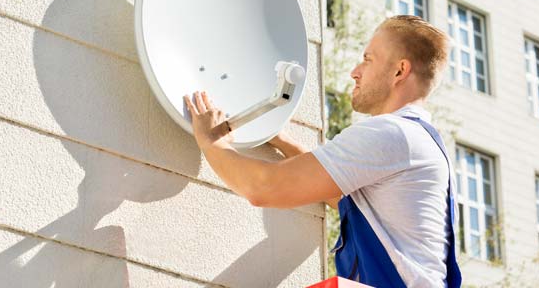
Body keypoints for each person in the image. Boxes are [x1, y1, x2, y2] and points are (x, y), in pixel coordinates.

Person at [183, 15, 461, 287]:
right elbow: (339, 195)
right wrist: (281, 140)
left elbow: (263, 188)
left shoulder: (393, 133)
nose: (355, 71)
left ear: (399, 71)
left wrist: (211, 142)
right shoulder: (418, 141)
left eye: (367, 59)